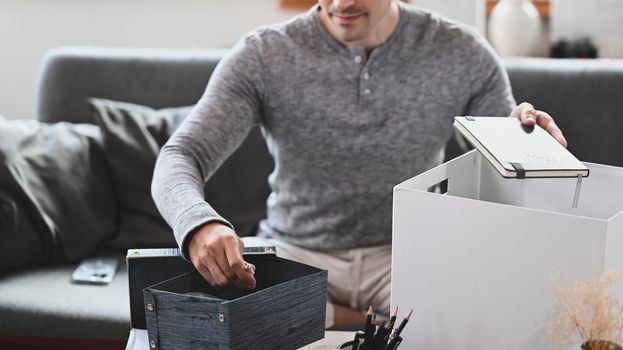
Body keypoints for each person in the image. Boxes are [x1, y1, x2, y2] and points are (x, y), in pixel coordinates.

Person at [151, 0, 567, 328]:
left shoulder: (463, 52)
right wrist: (198, 223)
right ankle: (360, 319)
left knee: (487, 319)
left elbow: (505, 167)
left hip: (407, 253)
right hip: (296, 252)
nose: (342, 3)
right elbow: (181, 155)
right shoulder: (263, 54)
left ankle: (338, 316)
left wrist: (531, 147)